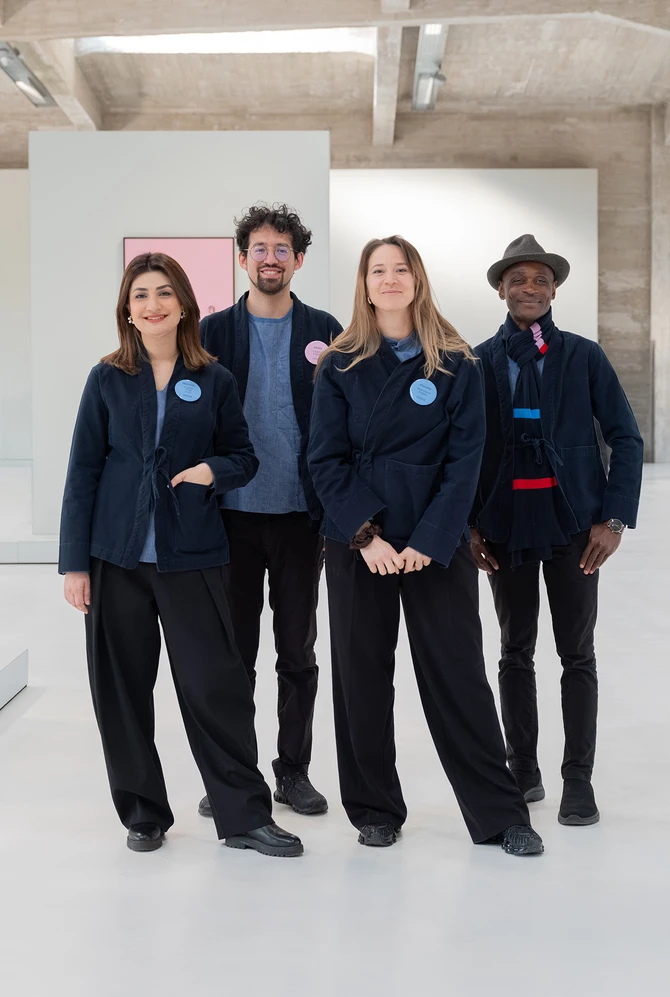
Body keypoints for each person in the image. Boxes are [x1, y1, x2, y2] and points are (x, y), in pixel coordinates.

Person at [59, 252, 303, 858]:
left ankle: (244, 816)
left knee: (214, 686)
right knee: (121, 690)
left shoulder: (214, 378)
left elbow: (243, 456)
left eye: (164, 292)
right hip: (115, 559)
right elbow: (82, 472)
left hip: (192, 554)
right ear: (128, 309)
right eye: (140, 295)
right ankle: (144, 814)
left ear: (185, 303)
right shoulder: (107, 378)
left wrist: (209, 471)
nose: (153, 304)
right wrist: (73, 564)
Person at [307, 235, 543, 855]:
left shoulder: (457, 360)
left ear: (418, 279)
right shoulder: (338, 363)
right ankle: (374, 808)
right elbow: (324, 460)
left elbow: (465, 463)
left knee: (459, 674)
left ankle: (500, 814)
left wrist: (432, 540)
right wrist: (365, 536)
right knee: (361, 676)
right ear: (363, 283)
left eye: (401, 269)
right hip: (361, 543)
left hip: (434, 541)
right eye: (378, 270)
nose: (390, 279)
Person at [470, 234, 644, 826]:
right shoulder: (478, 361)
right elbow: (464, 451)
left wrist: (614, 518)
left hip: (575, 528)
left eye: (541, 280)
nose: (530, 289)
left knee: (577, 654)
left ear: (553, 291)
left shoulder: (582, 356)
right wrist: (470, 525)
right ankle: (524, 768)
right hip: (506, 528)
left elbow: (626, 438)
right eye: (518, 279)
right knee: (515, 651)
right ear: (501, 289)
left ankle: (578, 780)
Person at [199, 204, 342, 819]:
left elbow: (344, 424)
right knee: (231, 656)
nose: (270, 258)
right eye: (259, 248)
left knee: (297, 652)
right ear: (243, 259)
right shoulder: (211, 333)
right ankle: (233, 775)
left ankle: (294, 771)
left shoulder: (326, 328)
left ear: (299, 260)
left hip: (299, 515)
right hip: (227, 515)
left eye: (282, 249)